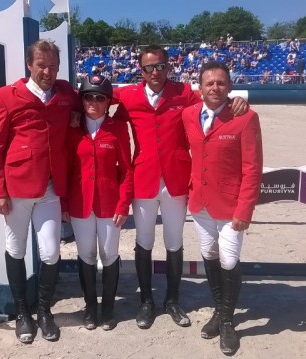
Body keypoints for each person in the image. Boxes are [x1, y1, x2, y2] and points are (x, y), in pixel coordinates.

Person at [112, 44, 249, 330]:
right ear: (141, 69)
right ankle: (147, 302)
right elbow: (94, 98)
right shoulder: (128, 95)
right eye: (149, 67)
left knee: (174, 243)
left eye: (161, 65)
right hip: (144, 180)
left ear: (169, 66)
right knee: (144, 242)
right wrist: (75, 114)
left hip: (176, 180)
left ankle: (172, 299)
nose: (155, 72)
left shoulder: (184, 93)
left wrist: (238, 100)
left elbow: (215, 96)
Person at [0, 39, 80, 344]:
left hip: (51, 188)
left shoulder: (66, 93)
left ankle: (43, 310)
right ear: (30, 64)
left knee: (51, 252)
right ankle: (23, 312)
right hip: (17, 190)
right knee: (16, 249)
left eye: (53, 65)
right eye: (42, 65)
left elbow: (99, 99)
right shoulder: (6, 97)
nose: (48, 71)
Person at [181, 61, 263, 355]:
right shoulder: (188, 114)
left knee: (229, 261)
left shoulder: (245, 117)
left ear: (229, 86)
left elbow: (253, 169)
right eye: (209, 83)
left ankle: (227, 322)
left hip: (230, 207)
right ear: (200, 88)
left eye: (220, 83)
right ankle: (219, 310)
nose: (214, 88)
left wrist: (244, 210)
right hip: (200, 203)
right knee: (209, 257)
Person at [62, 75, 133, 331]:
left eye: (99, 97)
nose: (93, 101)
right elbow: (67, 168)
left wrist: (124, 204)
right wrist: (64, 204)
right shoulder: (72, 129)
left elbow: (126, 169)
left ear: (108, 102)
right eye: (88, 96)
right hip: (80, 204)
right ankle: (91, 307)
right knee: (86, 255)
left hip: (108, 204)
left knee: (109, 254)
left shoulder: (117, 129)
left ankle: (108, 308)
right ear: (82, 100)